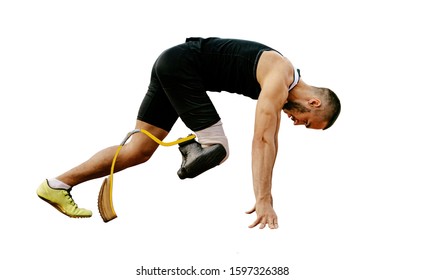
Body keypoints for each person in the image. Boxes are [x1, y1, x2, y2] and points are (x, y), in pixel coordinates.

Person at [37, 37, 341, 229]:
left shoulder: (280, 83)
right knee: (217, 146)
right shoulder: (280, 74)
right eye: (306, 122)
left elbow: (271, 140)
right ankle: (192, 147)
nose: (296, 124)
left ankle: (57, 185)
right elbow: (262, 139)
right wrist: (264, 200)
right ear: (313, 103)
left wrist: (267, 196)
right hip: (182, 67)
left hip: (174, 66)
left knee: (138, 151)